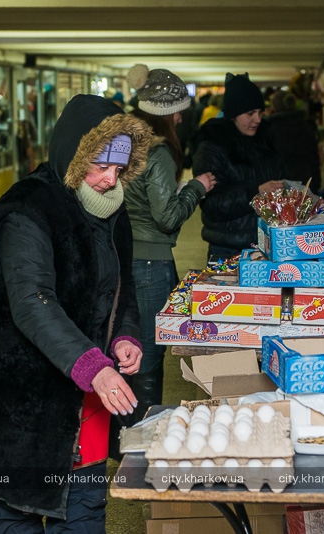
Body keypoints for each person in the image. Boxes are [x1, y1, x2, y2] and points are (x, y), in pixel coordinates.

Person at [0, 94, 151, 532]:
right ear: (73, 155)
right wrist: (92, 365)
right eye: (100, 167)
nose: (108, 180)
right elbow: (31, 300)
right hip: (20, 401)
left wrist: (125, 336)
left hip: (85, 399)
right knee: (14, 514)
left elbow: (122, 286)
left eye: (118, 169)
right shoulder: (27, 210)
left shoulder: (113, 210)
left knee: (83, 511)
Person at [122, 64, 216, 429]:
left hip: (127, 255)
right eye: (177, 110)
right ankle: (140, 435)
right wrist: (196, 188)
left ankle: (123, 430)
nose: (180, 118)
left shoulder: (125, 143)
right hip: (150, 264)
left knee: (127, 345)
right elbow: (167, 217)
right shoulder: (157, 153)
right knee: (148, 352)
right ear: (163, 112)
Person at [192, 72, 285, 261]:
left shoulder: (266, 142)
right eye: (250, 113)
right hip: (227, 249)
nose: (257, 119)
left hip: (268, 246)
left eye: (260, 112)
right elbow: (212, 205)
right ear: (233, 115)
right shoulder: (213, 147)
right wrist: (256, 191)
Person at [265, 89, 322, 194]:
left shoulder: (268, 130)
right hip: (304, 183)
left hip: (278, 185)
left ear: (275, 107)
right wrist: (316, 185)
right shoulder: (306, 127)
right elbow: (314, 159)